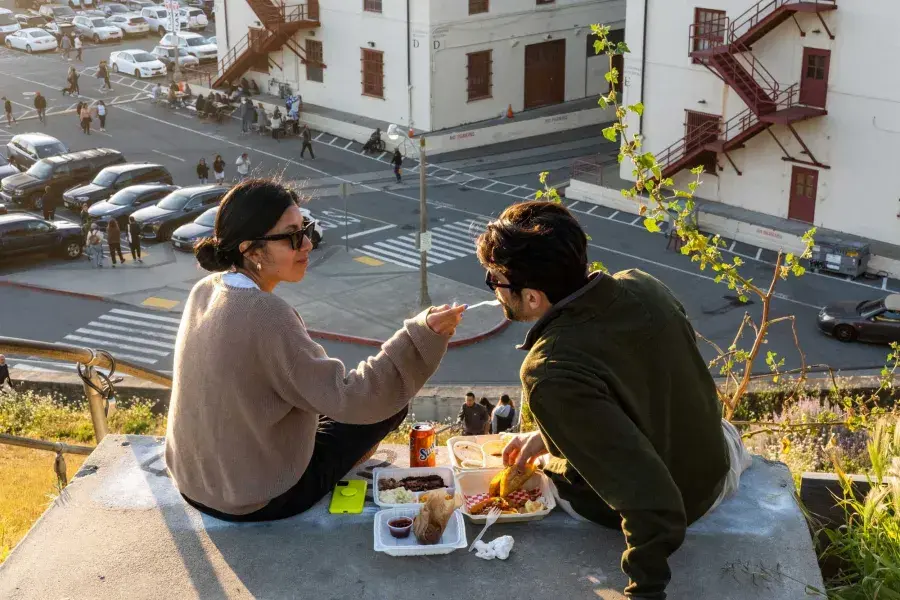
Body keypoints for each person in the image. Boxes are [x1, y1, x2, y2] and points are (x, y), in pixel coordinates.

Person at [476, 201, 752, 600]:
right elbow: (650, 383)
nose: (493, 286)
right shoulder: (644, 285)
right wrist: (550, 433)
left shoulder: (549, 368)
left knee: (553, 478)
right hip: (718, 467)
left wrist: (644, 590)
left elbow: (653, 502)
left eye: (496, 281)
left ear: (533, 298)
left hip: (677, 507)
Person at [165, 179, 466, 521]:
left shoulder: (206, 289)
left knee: (329, 404)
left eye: (305, 228)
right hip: (257, 498)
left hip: (195, 482)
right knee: (390, 403)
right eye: (292, 235)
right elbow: (357, 397)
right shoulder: (266, 313)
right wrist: (419, 336)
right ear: (251, 250)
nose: (307, 243)